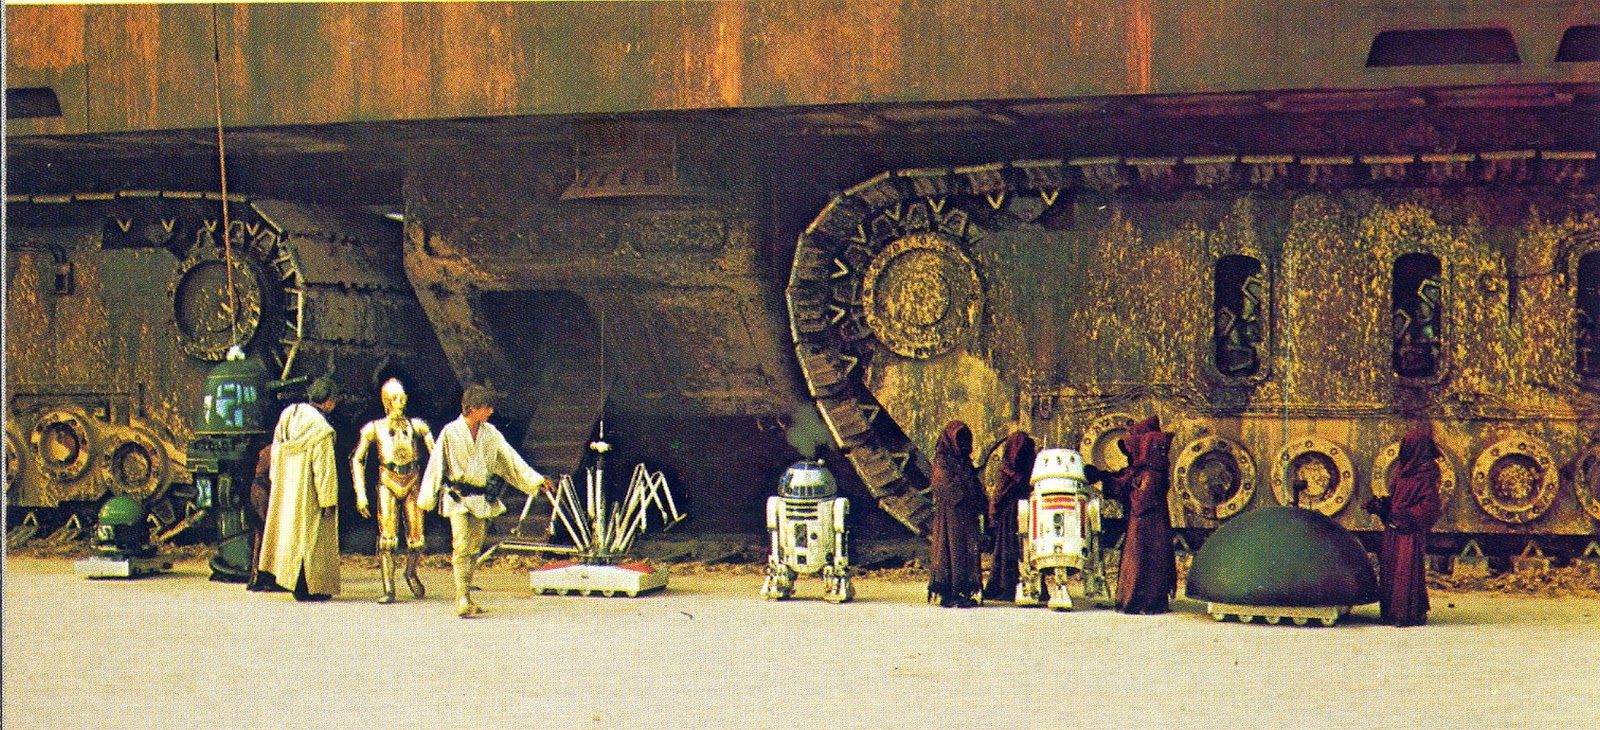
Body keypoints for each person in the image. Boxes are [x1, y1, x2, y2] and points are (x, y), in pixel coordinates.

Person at [419, 384, 551, 618]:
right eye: (486, 407)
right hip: (457, 497)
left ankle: (467, 596)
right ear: (472, 409)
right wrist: (426, 498)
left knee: (473, 549)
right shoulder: (451, 432)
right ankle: (461, 598)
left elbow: (510, 459)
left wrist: (536, 480)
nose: (490, 411)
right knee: (461, 545)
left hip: (480, 497)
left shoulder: (490, 433)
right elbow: (436, 464)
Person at [257, 376, 342, 601]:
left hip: (287, 488)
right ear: (329, 402)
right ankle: (312, 587)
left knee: (291, 535)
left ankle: (288, 579)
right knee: (312, 540)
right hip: (308, 492)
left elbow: (276, 451)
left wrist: (277, 480)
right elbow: (323, 470)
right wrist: (327, 500)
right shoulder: (321, 430)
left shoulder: (289, 415)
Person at [352, 378, 436, 604]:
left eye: (402, 398)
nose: (400, 403)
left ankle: (411, 571)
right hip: (388, 481)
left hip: (412, 479)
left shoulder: (417, 426)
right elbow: (358, 459)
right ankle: (388, 587)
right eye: (394, 399)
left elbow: (436, 454)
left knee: (417, 538)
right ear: (386, 401)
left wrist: (435, 483)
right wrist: (360, 493)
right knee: (387, 539)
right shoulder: (374, 428)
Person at [1362, 424, 1444, 627]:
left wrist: (1406, 517)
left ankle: (1406, 614)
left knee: (1405, 571)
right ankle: (1391, 612)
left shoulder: (1426, 475)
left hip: (1409, 532)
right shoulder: (1402, 472)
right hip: (1394, 529)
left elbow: (1430, 507)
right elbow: (1397, 500)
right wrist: (1381, 506)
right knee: (1391, 569)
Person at [1104, 421, 1177, 614]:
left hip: (1146, 525)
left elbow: (1140, 501)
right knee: (1142, 561)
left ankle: (1141, 602)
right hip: (1146, 524)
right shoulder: (1147, 470)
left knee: (1142, 562)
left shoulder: (1151, 473)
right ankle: (1140, 601)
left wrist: (1127, 488)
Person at [928, 421, 984, 608]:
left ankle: (964, 591)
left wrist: (978, 500)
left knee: (966, 551)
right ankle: (950, 593)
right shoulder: (942, 461)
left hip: (966, 514)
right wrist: (965, 494)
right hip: (951, 515)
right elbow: (943, 484)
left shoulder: (964, 461)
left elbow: (974, 484)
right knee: (952, 550)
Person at [982, 431, 1036, 602]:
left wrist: (993, 513)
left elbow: (999, 494)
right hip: (1024, 511)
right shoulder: (1029, 468)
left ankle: (1005, 587)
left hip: (1010, 514)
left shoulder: (1007, 469)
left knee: (1007, 551)